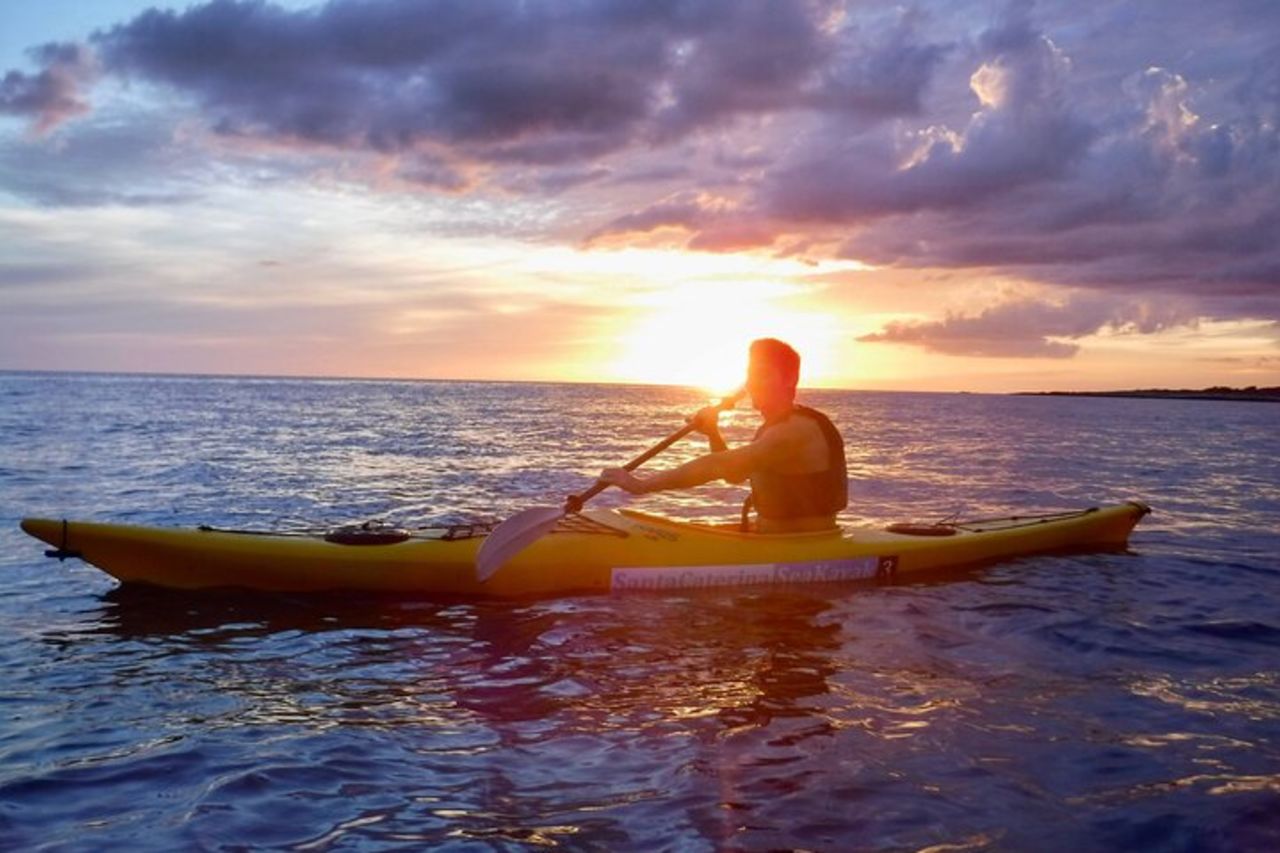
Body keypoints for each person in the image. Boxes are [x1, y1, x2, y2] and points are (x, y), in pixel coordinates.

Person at [597, 338, 848, 533]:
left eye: (762, 374)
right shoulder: (774, 428)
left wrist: (641, 485)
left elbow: (718, 466)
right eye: (750, 375)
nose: (752, 383)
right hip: (772, 542)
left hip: (803, 553)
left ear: (790, 378)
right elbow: (735, 474)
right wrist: (713, 433)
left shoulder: (794, 431)